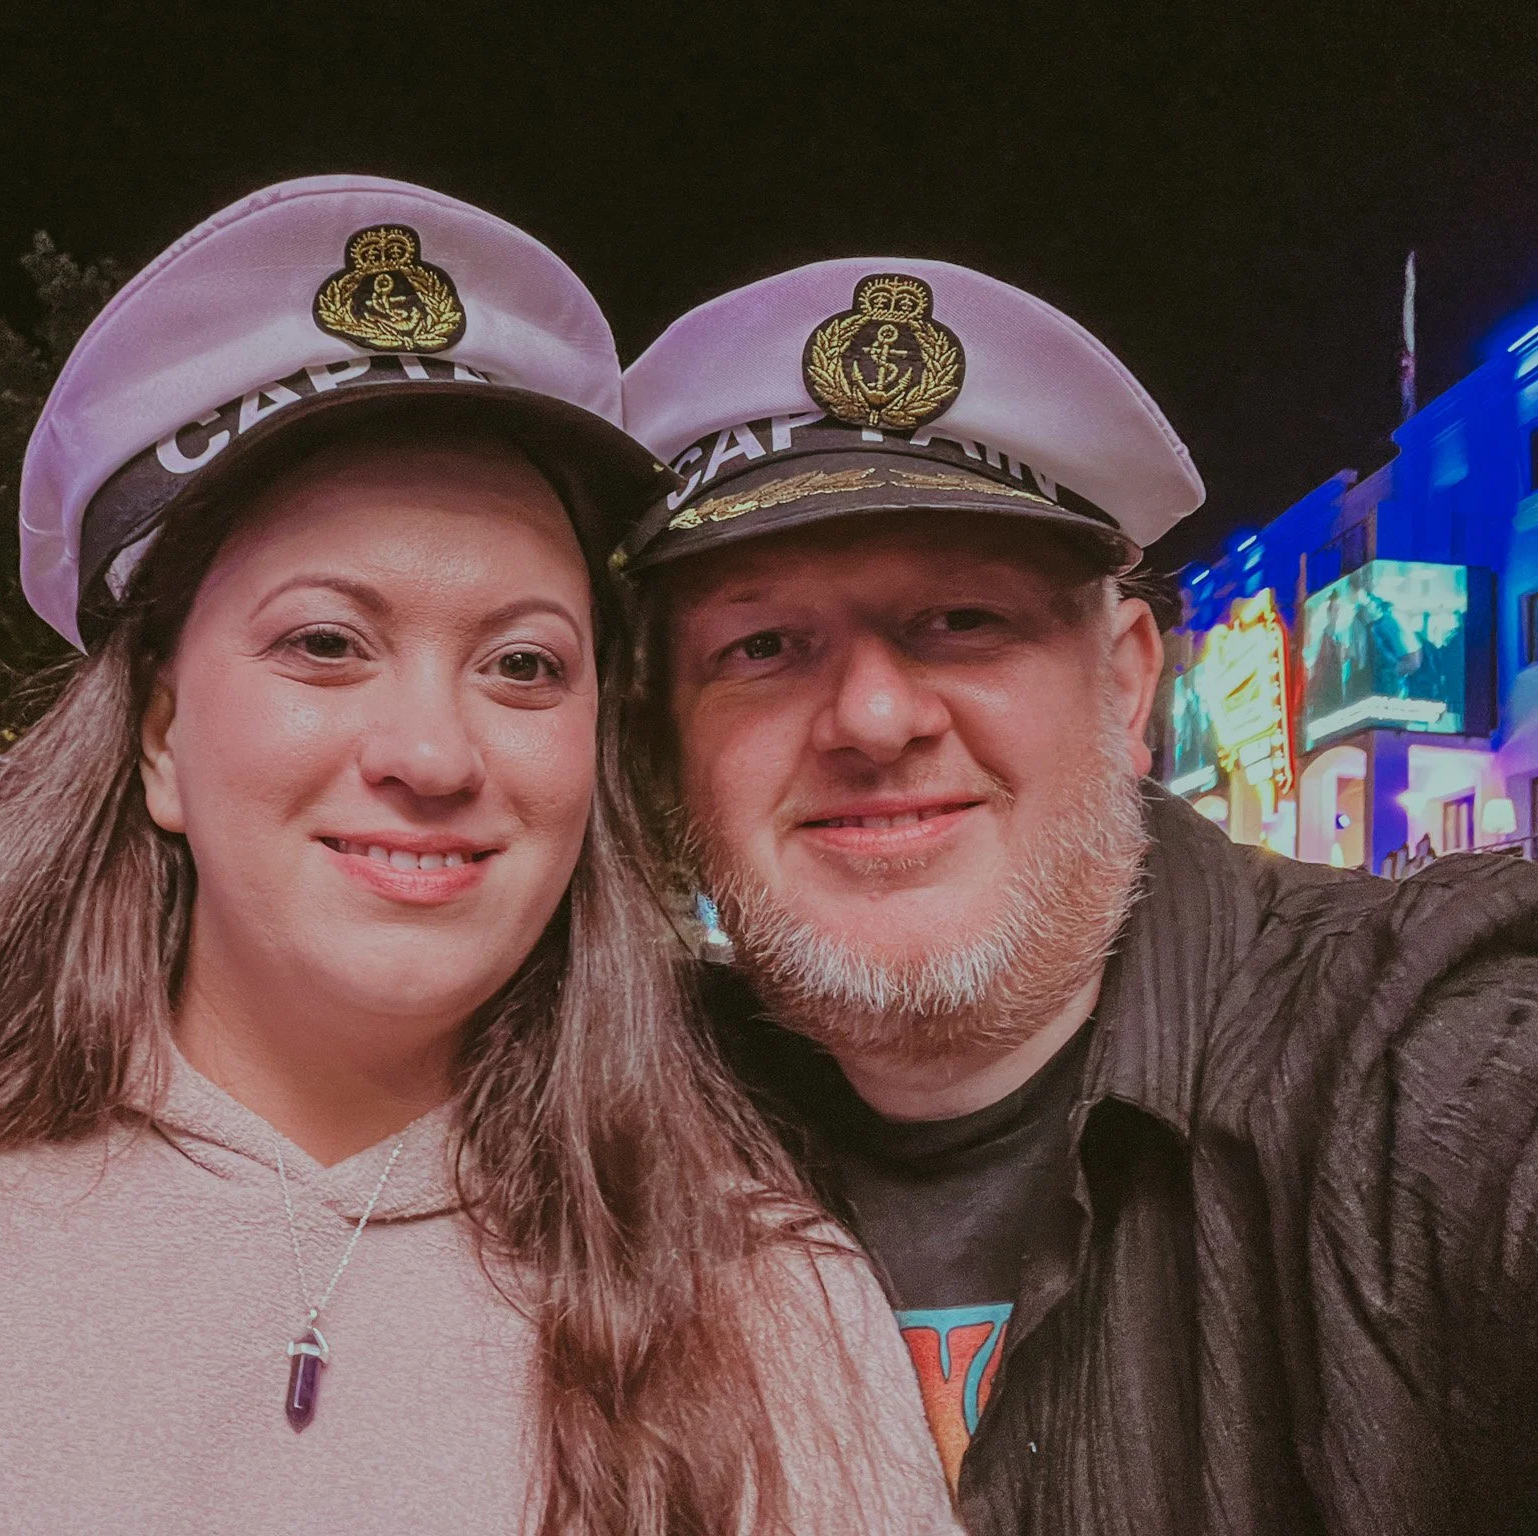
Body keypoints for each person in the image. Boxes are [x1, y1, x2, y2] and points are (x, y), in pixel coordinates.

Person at [0, 181, 957, 1535]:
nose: (435, 754)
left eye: (523, 664)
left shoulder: (763, 1302)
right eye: (326, 643)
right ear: (160, 738)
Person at [613, 259, 1538, 1533]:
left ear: (1122, 684)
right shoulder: (597, 1128)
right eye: (761, 647)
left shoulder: (1412, 1058)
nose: (875, 718)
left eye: (959, 617)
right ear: (666, 746)